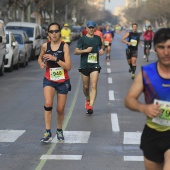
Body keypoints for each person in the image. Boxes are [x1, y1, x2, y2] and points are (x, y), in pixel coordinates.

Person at [124, 28, 170, 170]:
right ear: (154, 48)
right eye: (162, 47)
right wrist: (144, 108)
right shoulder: (146, 73)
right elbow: (129, 100)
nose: (166, 52)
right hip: (153, 133)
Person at [38, 22, 71, 143]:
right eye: (51, 32)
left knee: (60, 109)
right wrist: (41, 63)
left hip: (63, 81)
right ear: (48, 33)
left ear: (59, 32)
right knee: (48, 103)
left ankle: (59, 130)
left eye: (56, 31)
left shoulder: (65, 46)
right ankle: (47, 132)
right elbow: (40, 57)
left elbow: (69, 66)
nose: (54, 33)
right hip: (49, 79)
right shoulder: (45, 46)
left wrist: (55, 59)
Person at [74, 20, 104, 115]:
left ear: (94, 28)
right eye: (89, 27)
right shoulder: (82, 39)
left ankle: (90, 106)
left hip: (95, 64)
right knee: (86, 87)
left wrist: (102, 49)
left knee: (94, 85)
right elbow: (75, 51)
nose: (91, 29)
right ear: (86, 28)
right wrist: (85, 50)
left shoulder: (97, 38)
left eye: (92, 27)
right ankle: (87, 98)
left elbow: (101, 45)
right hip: (84, 65)